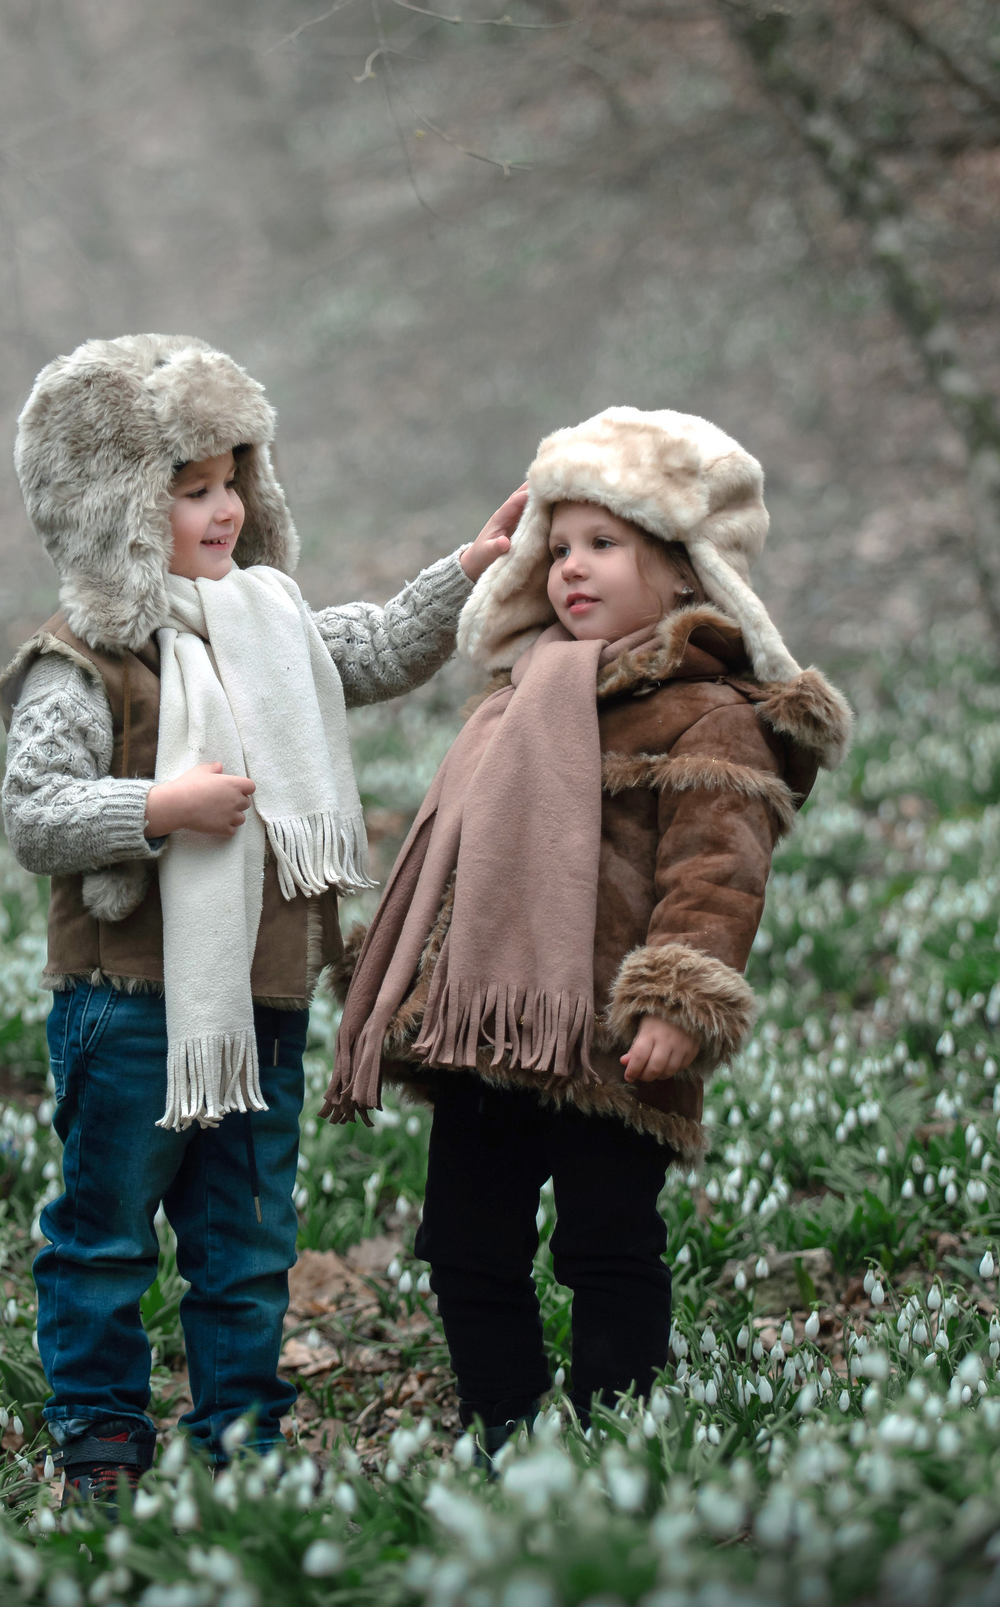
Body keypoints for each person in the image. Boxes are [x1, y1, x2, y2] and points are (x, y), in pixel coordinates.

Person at [0, 333, 526, 1504]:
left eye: (233, 479)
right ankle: (100, 1443)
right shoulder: (82, 662)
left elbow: (378, 644)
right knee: (106, 1235)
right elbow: (34, 809)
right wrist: (158, 805)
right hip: (133, 1005)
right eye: (189, 490)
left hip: (264, 996)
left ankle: (239, 1438)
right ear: (119, 508)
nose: (223, 508)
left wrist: (467, 569)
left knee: (245, 1243)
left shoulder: (270, 623)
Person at [324, 406, 851, 1454]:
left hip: (611, 1035)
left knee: (607, 1240)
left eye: (604, 544)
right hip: (486, 1032)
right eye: (556, 546)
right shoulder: (520, 695)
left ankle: (619, 1422)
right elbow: (463, 850)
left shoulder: (709, 712)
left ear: (686, 572)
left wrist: (678, 998)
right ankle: (502, 1421)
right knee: (467, 1241)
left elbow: (717, 867)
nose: (570, 567)